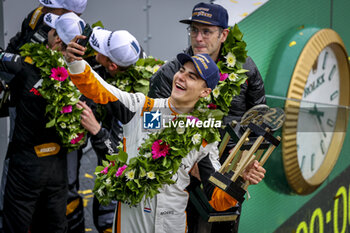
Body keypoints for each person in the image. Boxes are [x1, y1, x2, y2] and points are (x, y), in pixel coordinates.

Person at [64, 31, 266, 232]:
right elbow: (99, 89)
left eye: (192, 76)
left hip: (172, 225)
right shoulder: (140, 107)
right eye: (182, 70)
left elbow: (218, 199)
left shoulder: (203, 135)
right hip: (131, 224)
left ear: (205, 92)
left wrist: (241, 178)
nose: (181, 77)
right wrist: (76, 63)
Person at [147, 2, 266, 233]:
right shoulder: (170, 73)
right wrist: (185, 157)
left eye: (206, 31)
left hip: (229, 172)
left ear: (224, 35)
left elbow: (259, 117)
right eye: (194, 30)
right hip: (183, 180)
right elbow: (150, 126)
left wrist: (245, 159)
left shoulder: (246, 69)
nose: (198, 38)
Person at [0, 1, 88, 232]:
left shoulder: (25, 70)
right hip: (58, 163)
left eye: (50, 29)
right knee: (55, 224)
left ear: (57, 39)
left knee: (14, 223)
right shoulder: (84, 75)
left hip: (26, 162)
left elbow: (7, 62)